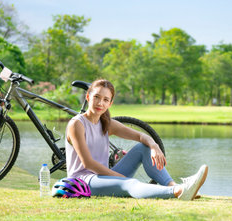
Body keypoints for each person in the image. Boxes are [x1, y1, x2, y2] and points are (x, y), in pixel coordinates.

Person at [65, 79, 208, 200]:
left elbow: (141, 136)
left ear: (110, 104)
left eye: (105, 100)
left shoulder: (106, 123)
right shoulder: (77, 124)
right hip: (83, 182)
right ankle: (178, 192)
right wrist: (121, 178)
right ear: (88, 97)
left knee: (143, 147)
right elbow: (88, 163)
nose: (100, 103)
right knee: (129, 184)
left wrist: (154, 146)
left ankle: (173, 185)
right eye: (96, 97)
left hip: (102, 177)